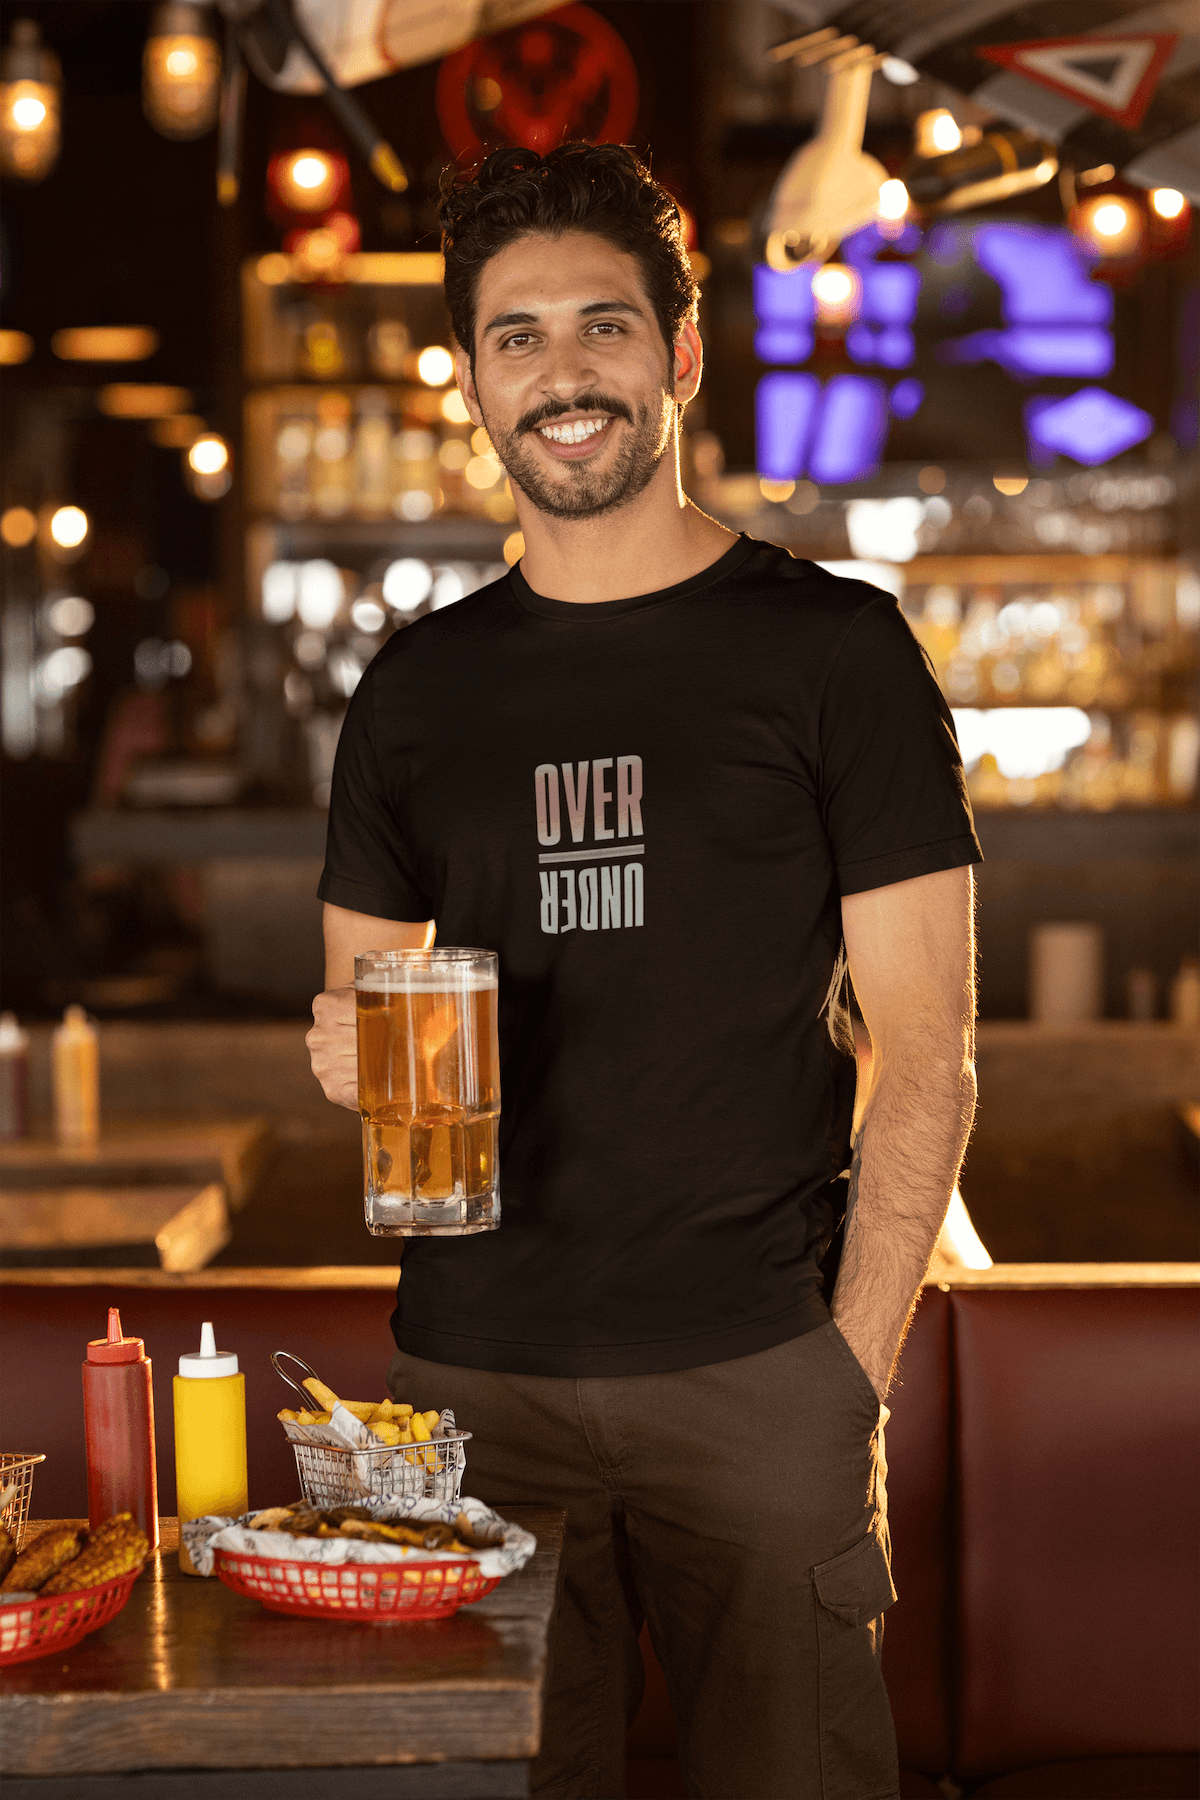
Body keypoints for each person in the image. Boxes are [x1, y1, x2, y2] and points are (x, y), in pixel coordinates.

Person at [307, 142, 981, 1800]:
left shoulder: (835, 651)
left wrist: (844, 1381)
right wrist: (341, 1058)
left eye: (605, 327)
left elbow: (934, 1054)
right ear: (471, 381)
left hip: (761, 1379)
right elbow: (371, 1031)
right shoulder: (412, 692)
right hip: (466, 1390)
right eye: (517, 338)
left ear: (683, 355)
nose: (564, 374)